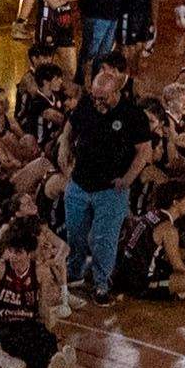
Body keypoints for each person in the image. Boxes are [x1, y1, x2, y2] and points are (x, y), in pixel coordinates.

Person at [61, 58, 148, 303]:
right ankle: (74, 271)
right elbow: (70, 129)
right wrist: (64, 153)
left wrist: (128, 179)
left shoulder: (133, 115)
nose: (98, 103)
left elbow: (144, 151)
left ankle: (101, 283)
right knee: (75, 233)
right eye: (95, 97)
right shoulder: (87, 105)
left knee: (103, 238)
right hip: (79, 184)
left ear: (117, 91)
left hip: (111, 190)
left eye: (104, 99)